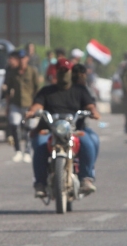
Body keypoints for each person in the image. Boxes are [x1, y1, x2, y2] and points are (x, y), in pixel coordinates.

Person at [25, 60, 101, 197]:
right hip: (51, 130)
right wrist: (32, 112)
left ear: (71, 73)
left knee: (88, 143)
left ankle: (86, 178)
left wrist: (93, 112)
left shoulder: (80, 90)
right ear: (56, 73)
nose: (63, 74)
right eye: (60, 71)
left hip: (75, 130)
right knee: (40, 145)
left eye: (66, 71)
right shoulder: (47, 91)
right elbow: (37, 105)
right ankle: (40, 183)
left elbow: (90, 105)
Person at [3, 49, 41, 163]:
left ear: (27, 59)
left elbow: (37, 89)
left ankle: (28, 151)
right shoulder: (12, 72)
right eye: (19, 59)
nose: (22, 61)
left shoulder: (32, 71)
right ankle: (18, 151)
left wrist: (37, 105)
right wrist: (7, 106)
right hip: (16, 103)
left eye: (23, 58)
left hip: (29, 104)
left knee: (30, 128)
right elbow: (8, 90)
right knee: (14, 125)